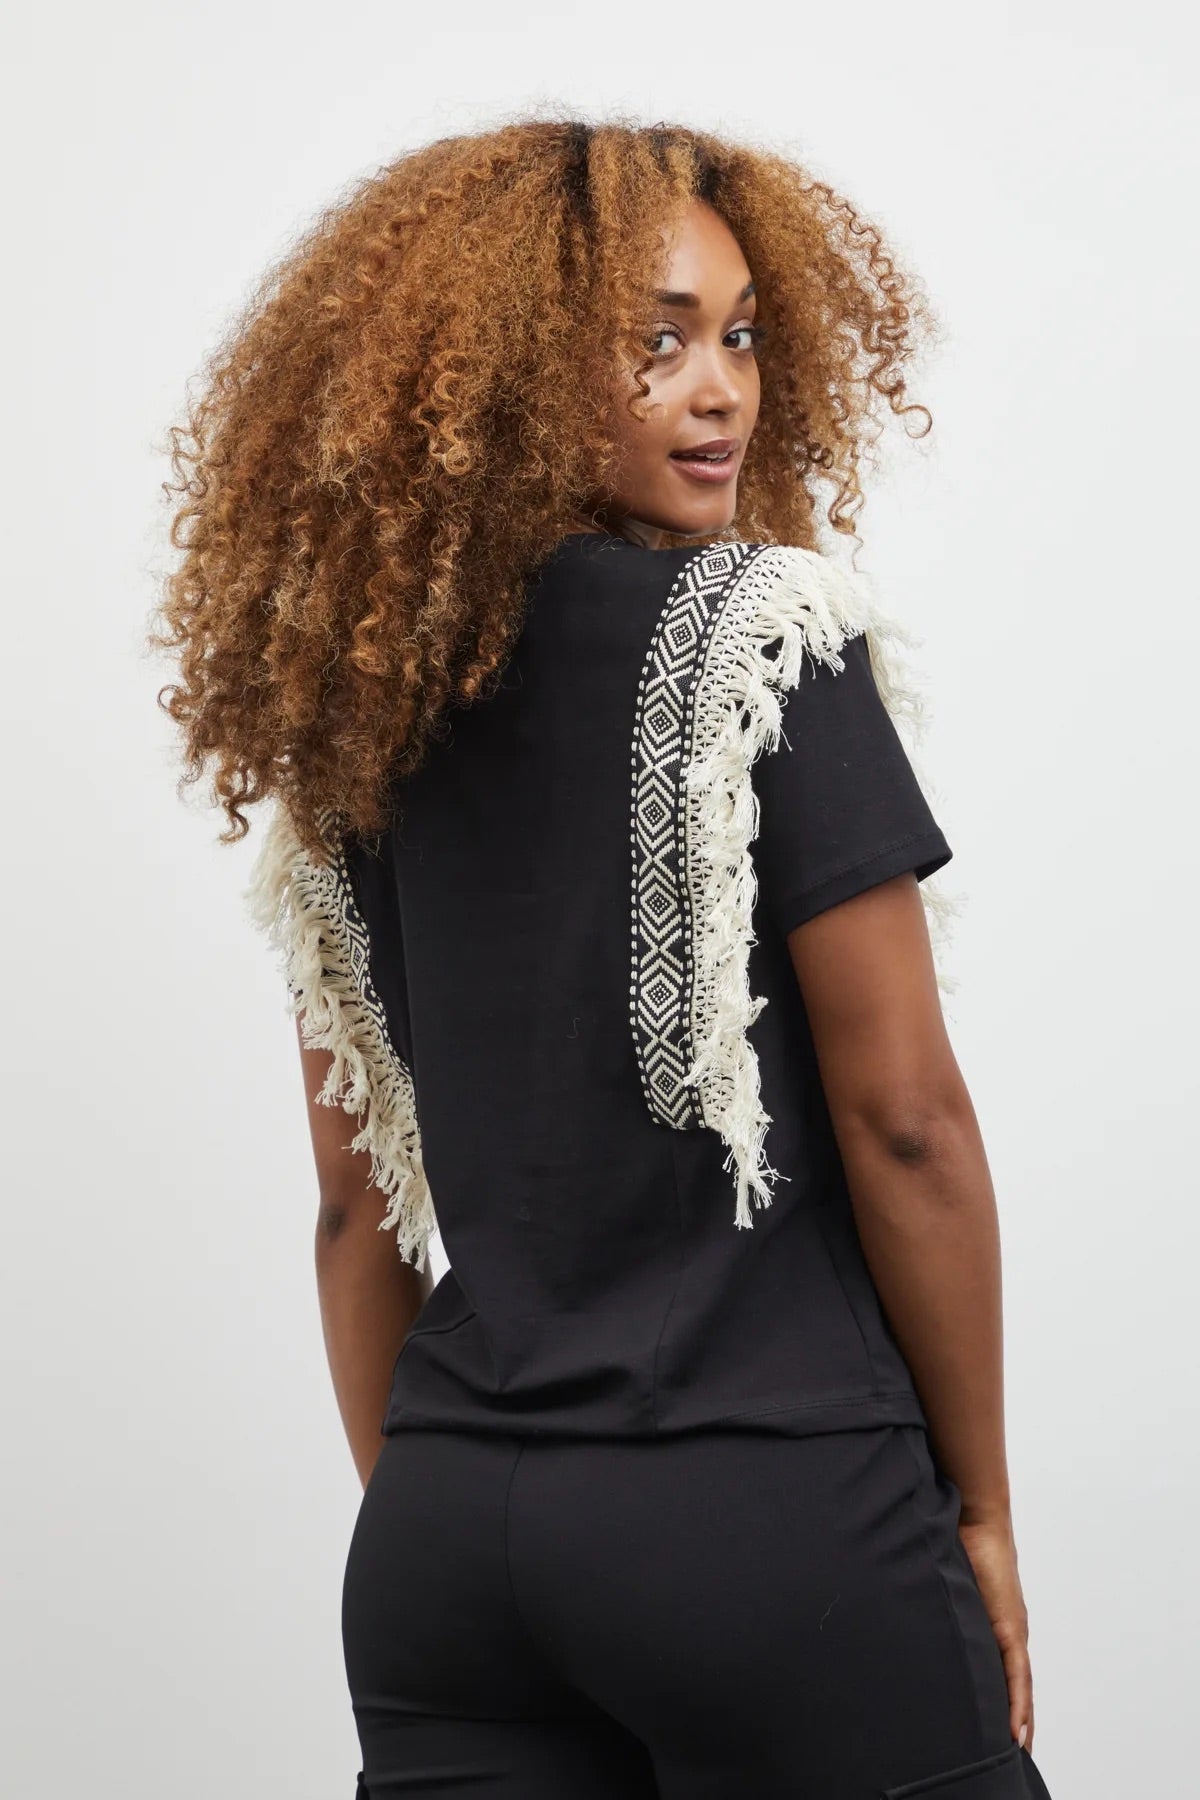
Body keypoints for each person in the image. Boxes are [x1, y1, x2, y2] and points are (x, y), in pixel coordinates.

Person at [151, 118, 1056, 1799]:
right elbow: (907, 1124)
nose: (721, 393)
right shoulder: (768, 639)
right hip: (771, 1516)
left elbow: (355, 1207)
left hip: (447, 1557)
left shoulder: (355, 722)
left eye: (742, 335)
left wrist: (456, 1520)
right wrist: (986, 1511)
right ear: (509, 375)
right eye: (657, 343)